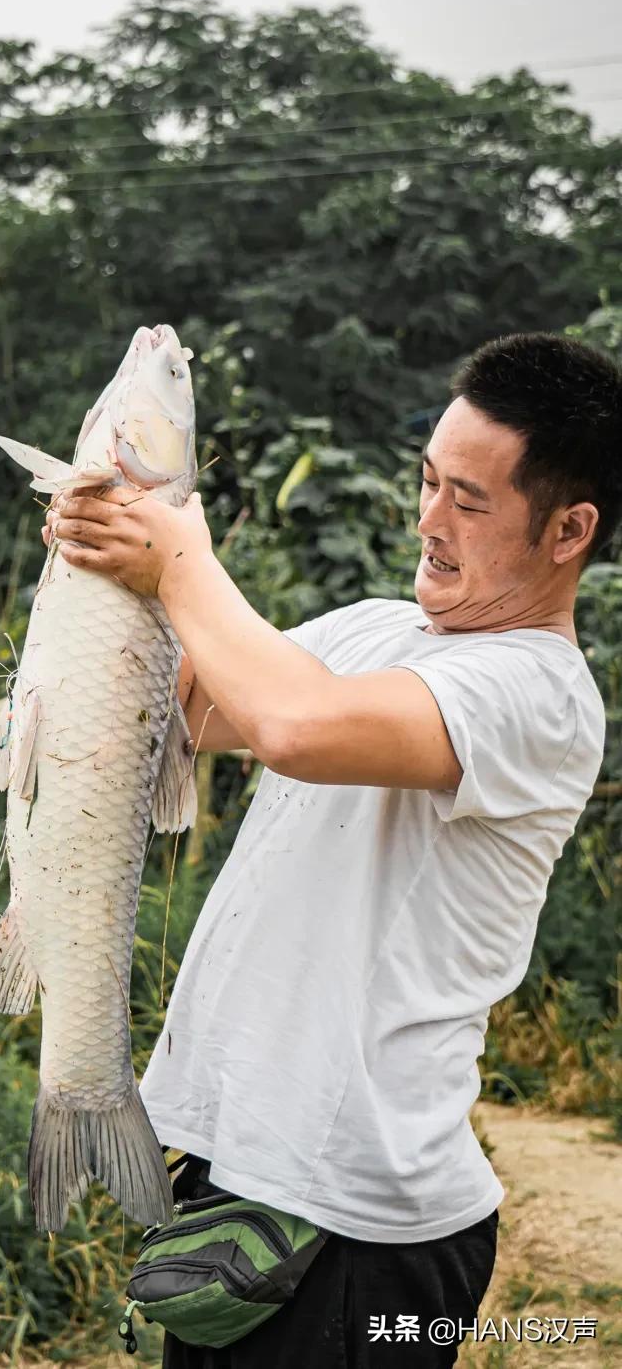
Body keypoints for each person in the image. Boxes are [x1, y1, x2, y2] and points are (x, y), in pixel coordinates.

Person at [40, 331, 620, 1367]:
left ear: (570, 529)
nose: (429, 521)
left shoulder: (541, 694)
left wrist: (182, 558)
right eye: (429, 482)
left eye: (470, 503)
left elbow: (296, 730)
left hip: (367, 1235)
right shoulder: (371, 631)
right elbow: (193, 704)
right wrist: (109, 563)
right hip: (243, 1179)